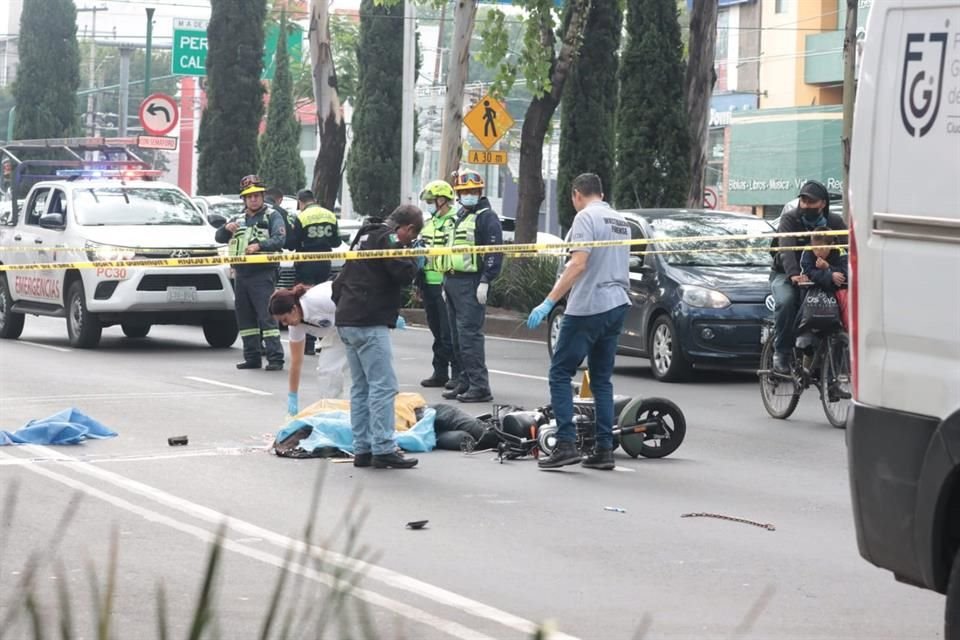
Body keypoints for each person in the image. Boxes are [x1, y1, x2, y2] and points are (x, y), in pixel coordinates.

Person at [526, 173, 630, 471]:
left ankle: (566, 444)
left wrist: (549, 301)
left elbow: (578, 263)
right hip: (617, 304)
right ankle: (604, 449)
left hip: (589, 305)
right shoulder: (619, 220)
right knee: (601, 379)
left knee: (560, 373)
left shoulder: (585, 218)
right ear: (601, 191)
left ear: (576, 194)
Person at [332, 205, 424, 469]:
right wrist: (415, 257)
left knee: (360, 388)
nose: (408, 240)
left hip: (348, 317)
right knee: (383, 387)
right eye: (411, 236)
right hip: (369, 320)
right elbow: (402, 272)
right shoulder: (390, 238)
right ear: (406, 228)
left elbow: (343, 278)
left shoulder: (363, 236)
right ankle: (383, 447)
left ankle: (362, 448)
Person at [769, 180, 846, 374]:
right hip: (786, 274)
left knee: (839, 304)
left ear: (823, 204)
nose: (806, 206)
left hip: (822, 275)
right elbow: (786, 248)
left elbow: (849, 251)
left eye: (811, 202)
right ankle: (782, 354)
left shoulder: (835, 223)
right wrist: (794, 274)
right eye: (803, 201)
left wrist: (843, 274)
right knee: (787, 301)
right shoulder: (789, 220)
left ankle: (831, 358)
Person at [439, 169, 503, 403]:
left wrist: (486, 280)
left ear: (480, 192)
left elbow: (494, 253)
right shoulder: (460, 215)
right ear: (457, 194)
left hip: (472, 282)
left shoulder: (487, 217)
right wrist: (446, 281)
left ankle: (479, 386)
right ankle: (464, 381)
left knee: (469, 337)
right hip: (453, 280)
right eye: (465, 191)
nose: (469, 195)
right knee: (457, 336)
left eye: (473, 191)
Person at [215, 175, 288, 371]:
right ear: (244, 199)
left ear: (262, 196)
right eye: (249, 196)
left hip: (263, 273)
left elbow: (280, 240)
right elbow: (219, 237)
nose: (253, 199)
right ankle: (252, 357)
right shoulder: (238, 218)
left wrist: (260, 246)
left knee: (266, 316)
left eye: (256, 195)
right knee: (245, 317)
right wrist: (225, 228)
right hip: (241, 274)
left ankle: (275, 358)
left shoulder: (272, 216)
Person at [269, 281, 350, 419]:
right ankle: (332, 417)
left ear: (294, 309)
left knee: (362, 374)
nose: (284, 324)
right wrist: (292, 397)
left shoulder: (319, 299)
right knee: (327, 372)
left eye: (284, 319)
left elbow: (353, 301)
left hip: (359, 320)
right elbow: (296, 362)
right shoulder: (296, 326)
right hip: (338, 332)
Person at [417, 180, 459, 388]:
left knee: (447, 331)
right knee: (436, 331)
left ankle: (456, 373)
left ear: (442, 200)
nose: (430, 205)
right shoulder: (429, 224)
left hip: (445, 283)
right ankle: (440, 372)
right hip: (428, 283)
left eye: (432, 201)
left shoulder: (454, 222)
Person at [289, 189, 341, 355]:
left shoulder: (301, 217)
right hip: (324, 262)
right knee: (324, 300)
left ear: (300, 202)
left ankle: (309, 344)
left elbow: (291, 243)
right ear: (314, 199)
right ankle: (324, 341)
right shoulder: (329, 215)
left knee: (306, 301)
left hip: (306, 263)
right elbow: (337, 241)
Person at [801, 227, 849, 332]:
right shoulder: (808, 251)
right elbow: (808, 272)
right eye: (815, 248)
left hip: (836, 291)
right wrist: (830, 275)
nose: (817, 252)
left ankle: (847, 330)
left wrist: (828, 267)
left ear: (831, 245)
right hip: (813, 292)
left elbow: (845, 273)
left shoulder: (841, 251)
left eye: (821, 248)